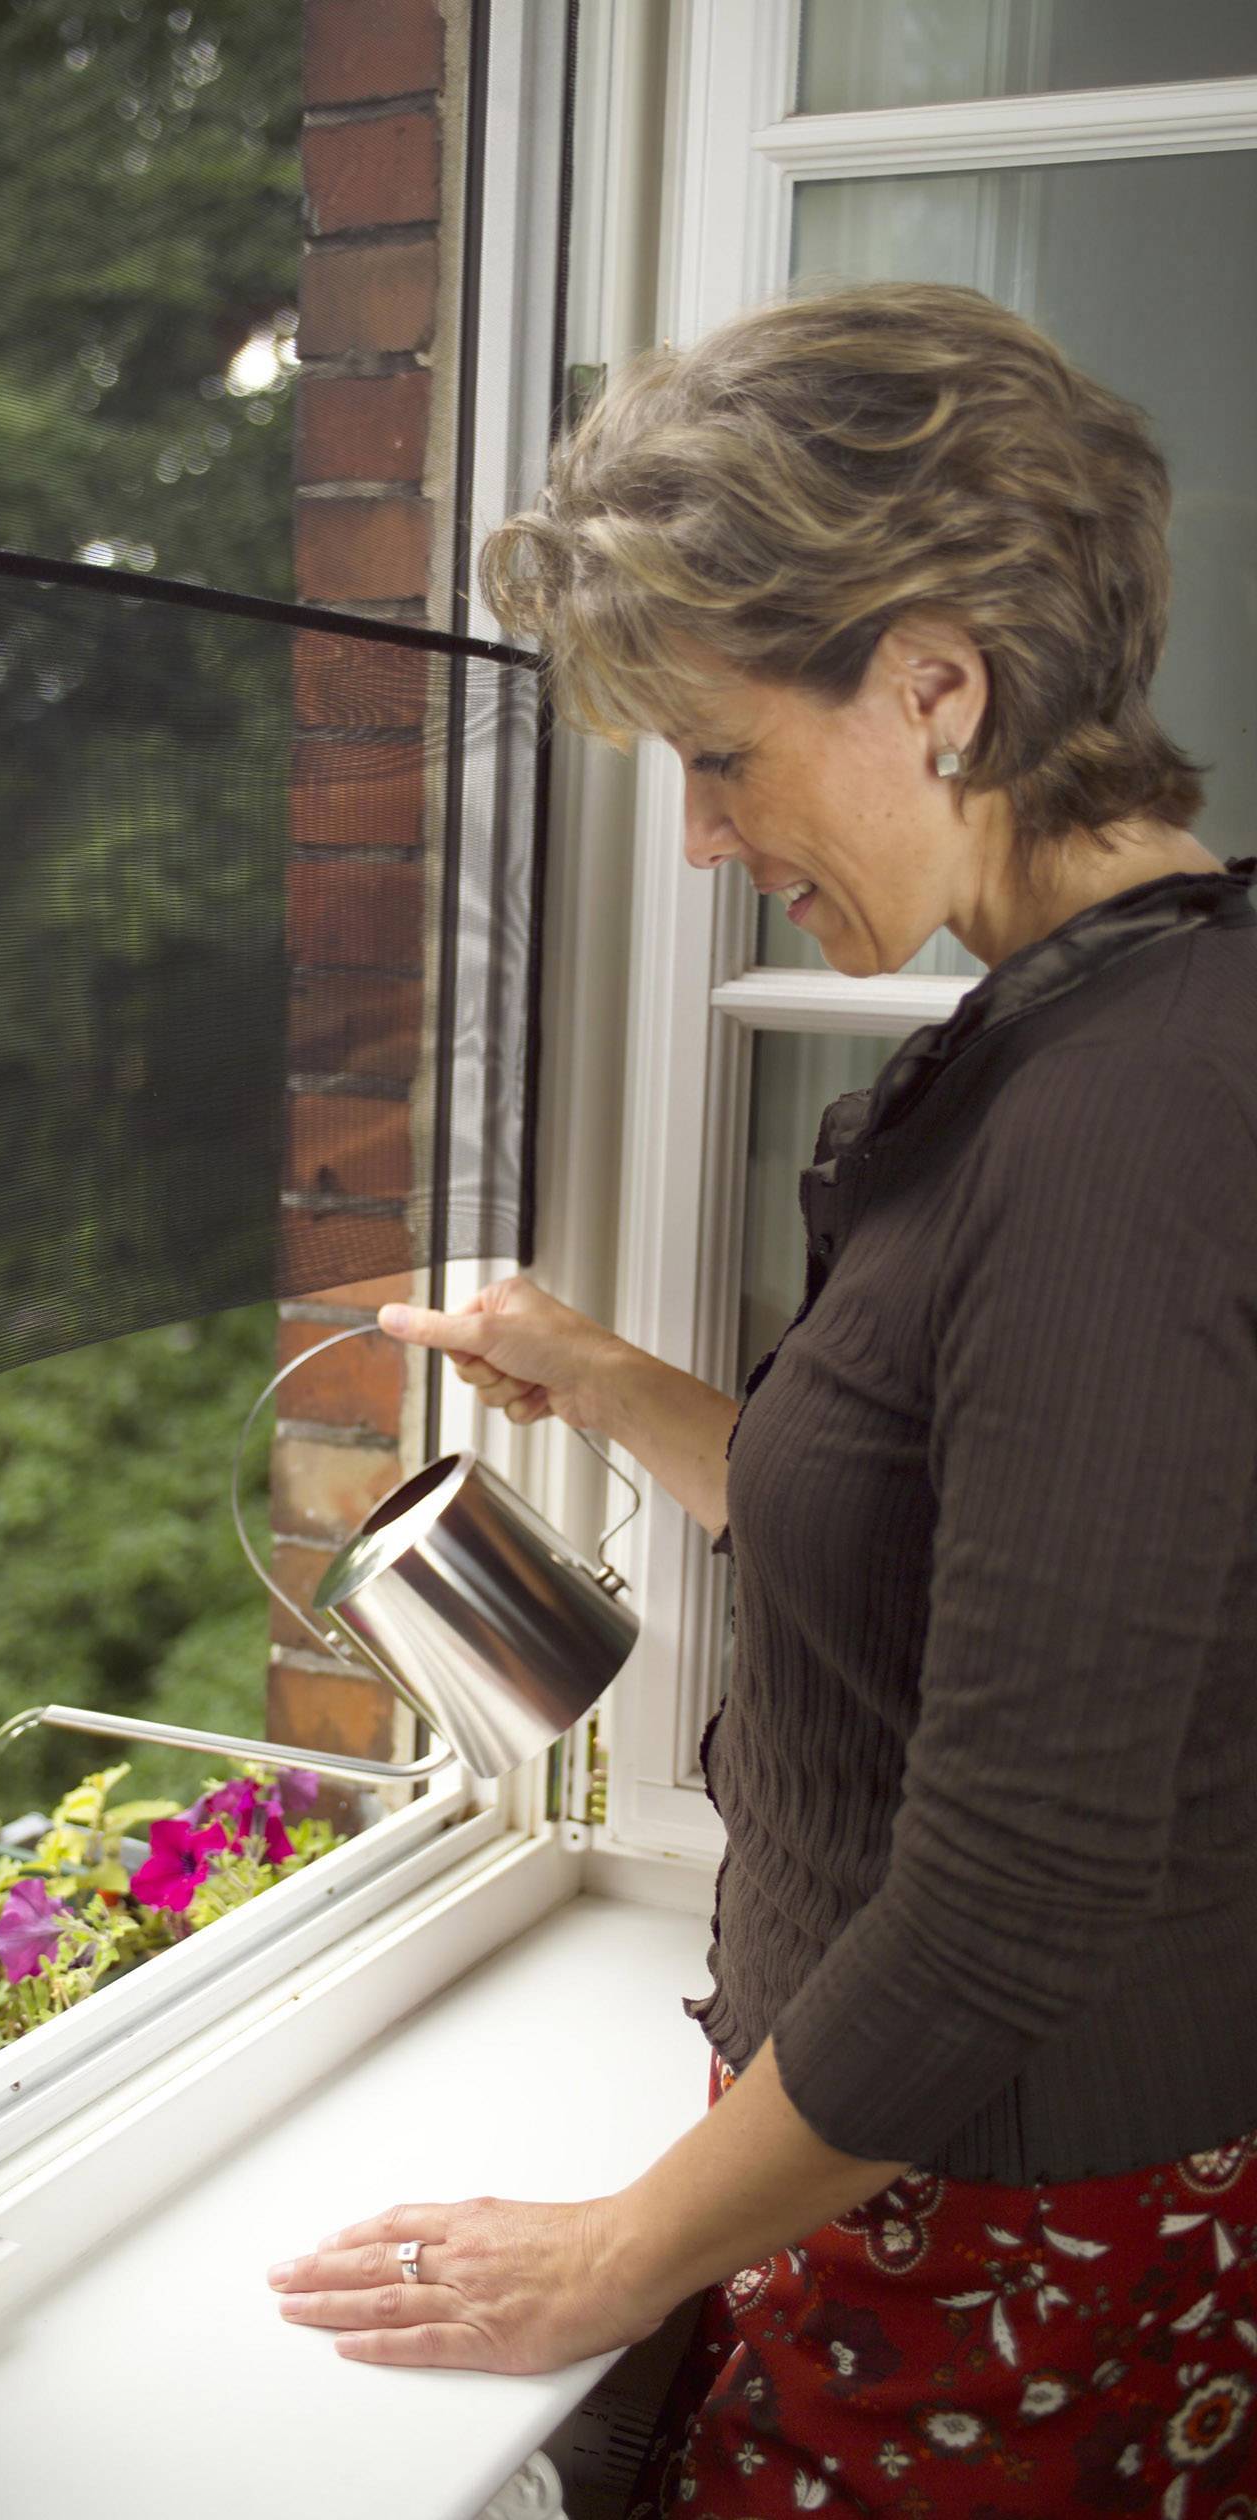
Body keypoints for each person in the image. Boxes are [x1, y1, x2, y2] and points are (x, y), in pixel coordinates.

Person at [264, 280, 1257, 2514]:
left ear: (936, 685)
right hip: (914, 2169)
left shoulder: (1133, 1121)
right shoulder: (1108, 1033)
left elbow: (1022, 1894)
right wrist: (593, 1375)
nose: (706, 839)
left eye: (721, 755)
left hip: (1015, 2241)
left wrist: (613, 2259)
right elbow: (958, 1552)